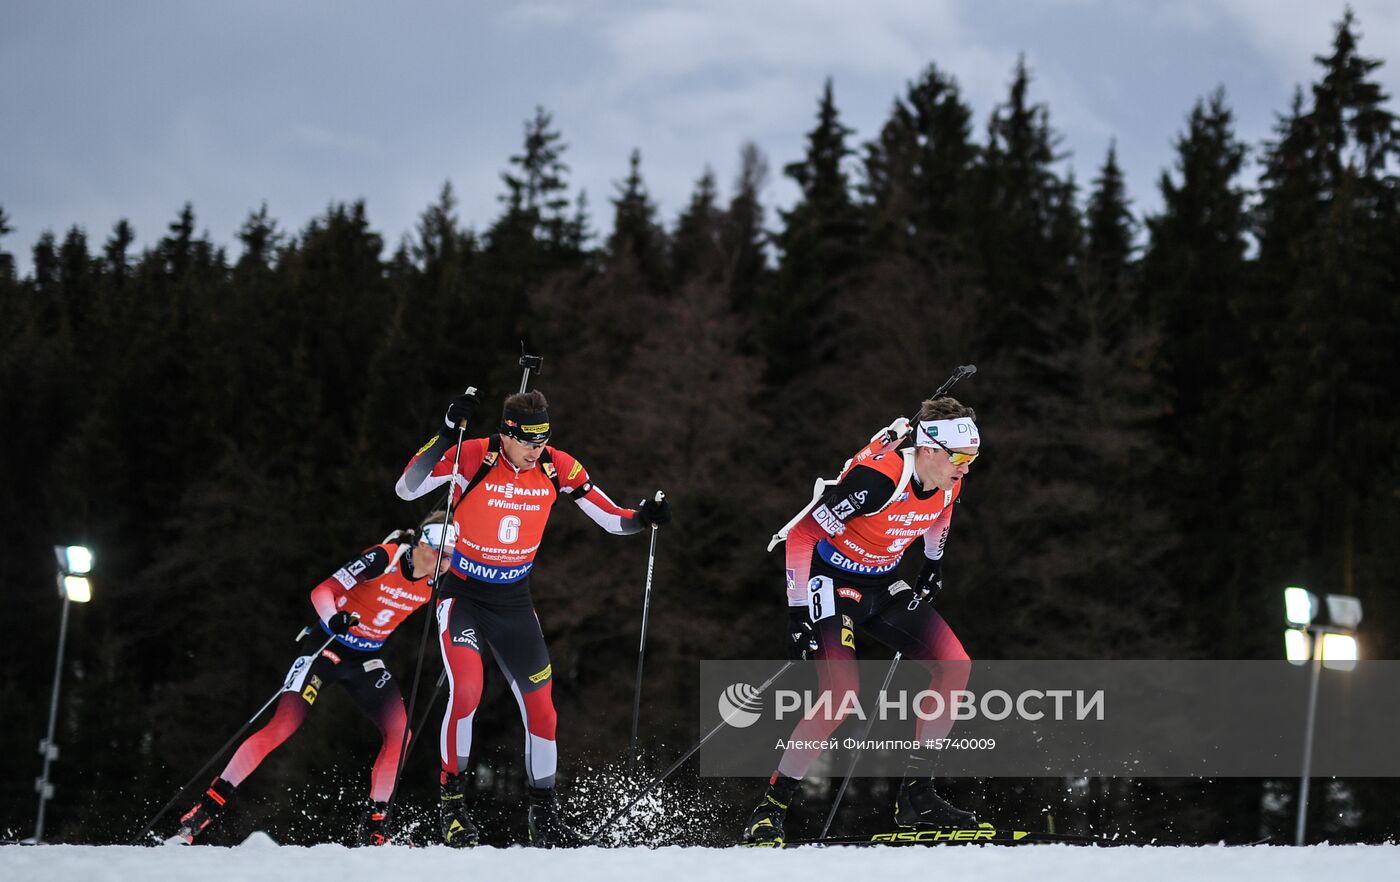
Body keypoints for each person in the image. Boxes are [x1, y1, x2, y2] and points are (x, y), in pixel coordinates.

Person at [396, 388, 670, 848]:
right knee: (467, 690)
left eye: (542, 441)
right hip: (462, 595)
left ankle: (543, 814)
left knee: (542, 709)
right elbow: (406, 488)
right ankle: (453, 809)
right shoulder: (474, 456)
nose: (534, 451)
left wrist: (643, 517)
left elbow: (611, 518)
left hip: (514, 602)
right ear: (506, 434)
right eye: (527, 442)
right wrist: (445, 434)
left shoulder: (556, 465)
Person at [741, 396, 981, 846]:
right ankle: (771, 808)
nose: (966, 468)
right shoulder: (877, 479)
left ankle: (918, 797)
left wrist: (933, 562)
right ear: (928, 449)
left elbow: (939, 513)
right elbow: (803, 534)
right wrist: (796, 611)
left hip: (883, 585)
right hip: (832, 585)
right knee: (841, 696)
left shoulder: (949, 480)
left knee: (955, 665)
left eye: (973, 458)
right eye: (961, 458)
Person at [175, 513, 454, 846]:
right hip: (326, 648)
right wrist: (334, 618)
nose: (444, 562)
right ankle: (205, 809)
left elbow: (462, 607)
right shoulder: (385, 557)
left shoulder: (440, 579)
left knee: (400, 734)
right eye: (439, 552)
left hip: (365, 659)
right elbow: (323, 590)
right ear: (422, 543)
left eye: (451, 556)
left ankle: (374, 828)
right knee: (283, 726)